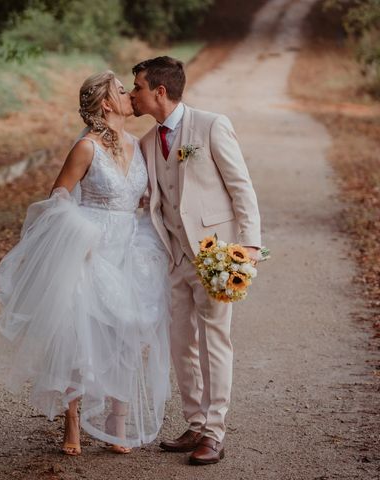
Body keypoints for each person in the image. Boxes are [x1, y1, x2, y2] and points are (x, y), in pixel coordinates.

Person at [0, 70, 171, 455]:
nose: (129, 96)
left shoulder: (138, 145)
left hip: (130, 247)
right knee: (80, 335)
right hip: (90, 247)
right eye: (122, 91)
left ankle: (116, 422)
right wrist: (78, 238)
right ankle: (72, 419)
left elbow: (142, 196)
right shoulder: (86, 147)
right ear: (106, 104)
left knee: (129, 333)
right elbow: (58, 196)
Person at [130, 56, 261, 465]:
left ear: (159, 92)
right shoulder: (148, 143)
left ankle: (215, 432)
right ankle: (195, 423)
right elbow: (154, 199)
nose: (132, 95)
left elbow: (242, 188)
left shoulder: (210, 125)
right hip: (173, 257)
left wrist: (251, 246)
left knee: (214, 342)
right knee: (181, 344)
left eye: (137, 88)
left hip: (215, 254)